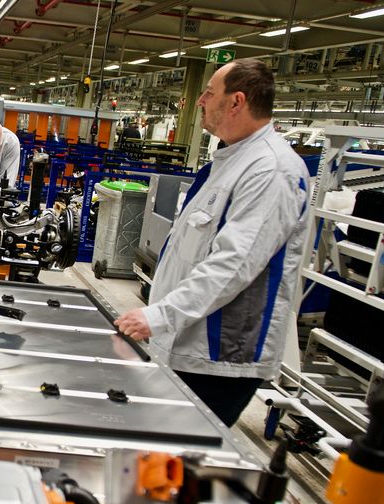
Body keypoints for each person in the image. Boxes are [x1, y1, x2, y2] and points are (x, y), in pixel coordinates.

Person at [114, 59, 311, 427]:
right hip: (187, 343)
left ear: (236, 102)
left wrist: (158, 316)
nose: (199, 100)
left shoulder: (271, 170)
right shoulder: (232, 160)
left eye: (208, 93)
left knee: (175, 462)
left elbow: (233, 265)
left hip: (220, 356)